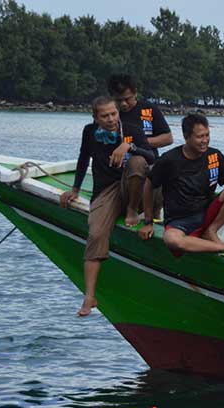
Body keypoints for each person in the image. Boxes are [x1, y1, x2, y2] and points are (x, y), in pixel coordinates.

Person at [59, 95, 155, 317]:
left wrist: (128, 147)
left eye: (114, 114)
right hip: (106, 189)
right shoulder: (89, 132)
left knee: (138, 162)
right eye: (105, 116)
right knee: (96, 232)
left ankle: (131, 210)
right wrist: (74, 189)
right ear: (95, 117)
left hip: (135, 187)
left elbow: (151, 157)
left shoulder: (132, 128)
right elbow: (83, 158)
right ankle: (89, 296)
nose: (111, 119)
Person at [140, 113, 224, 256]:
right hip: (179, 220)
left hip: (207, 214)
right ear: (186, 137)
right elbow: (148, 185)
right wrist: (148, 221)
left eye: (207, 135)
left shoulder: (214, 156)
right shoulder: (170, 160)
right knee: (172, 240)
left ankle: (211, 231)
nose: (205, 140)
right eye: (199, 137)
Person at [107, 73, 173, 163]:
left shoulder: (148, 109)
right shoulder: (108, 114)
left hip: (145, 162)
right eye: (119, 100)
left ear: (135, 93)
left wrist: (137, 144)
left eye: (127, 99)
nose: (124, 104)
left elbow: (168, 138)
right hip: (116, 163)